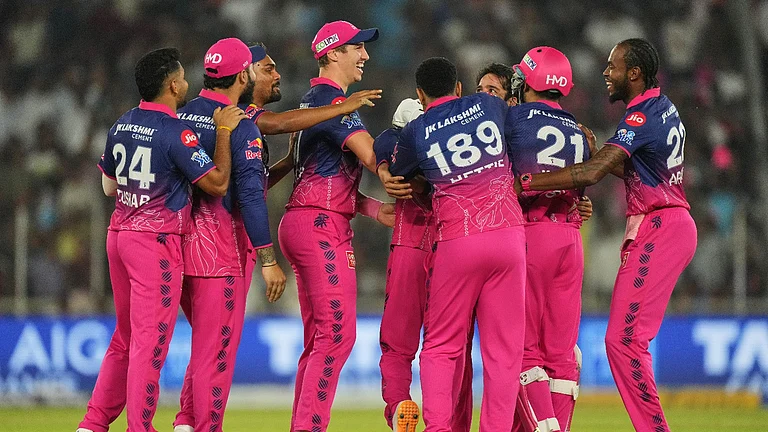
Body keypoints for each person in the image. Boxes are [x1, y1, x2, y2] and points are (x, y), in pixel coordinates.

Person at [512, 38, 696, 432]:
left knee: (624, 343)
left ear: (634, 73)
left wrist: (526, 181)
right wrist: (600, 153)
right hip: (668, 222)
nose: (605, 74)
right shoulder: (662, 108)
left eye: (612, 67)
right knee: (614, 344)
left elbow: (592, 174)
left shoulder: (641, 117)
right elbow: (639, 169)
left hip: (659, 225)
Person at [77, 47, 242, 432]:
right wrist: (222, 132)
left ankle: (93, 424)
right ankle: (140, 428)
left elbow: (107, 186)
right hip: (156, 244)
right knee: (149, 345)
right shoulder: (176, 131)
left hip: (119, 235)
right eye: (183, 77)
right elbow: (216, 184)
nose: (188, 83)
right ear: (171, 84)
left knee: (126, 338)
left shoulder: (122, 123)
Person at [385, 56, 527, 431]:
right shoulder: (490, 105)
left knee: (442, 347)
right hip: (510, 237)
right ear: (460, 88)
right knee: (504, 353)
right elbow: (523, 136)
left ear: (420, 94)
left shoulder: (416, 130)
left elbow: (399, 171)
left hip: (459, 240)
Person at [277, 20, 394, 432]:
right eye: (356, 48)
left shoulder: (317, 102)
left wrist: (371, 209)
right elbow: (375, 160)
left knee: (319, 341)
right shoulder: (335, 106)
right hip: (319, 227)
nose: (364, 55)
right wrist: (412, 139)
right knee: (338, 336)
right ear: (331, 54)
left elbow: (324, 176)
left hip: (307, 220)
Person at [172, 38, 286, 432]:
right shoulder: (239, 124)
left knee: (204, 348)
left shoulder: (182, 116)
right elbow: (251, 196)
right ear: (243, 74)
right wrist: (268, 260)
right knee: (217, 353)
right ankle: (205, 426)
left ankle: (186, 421)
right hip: (219, 249)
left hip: (174, 245)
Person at [504, 47, 590, 432]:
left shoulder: (513, 119)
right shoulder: (578, 129)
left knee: (524, 349)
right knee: (561, 354)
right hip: (570, 239)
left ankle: (546, 428)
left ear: (529, 82)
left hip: (529, 234)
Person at [238, 43, 383, 188]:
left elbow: (255, 187)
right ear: (245, 76)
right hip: (222, 211)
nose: (277, 75)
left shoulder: (248, 119)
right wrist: (340, 108)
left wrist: (289, 161)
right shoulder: (239, 112)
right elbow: (278, 124)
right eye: (268, 70)